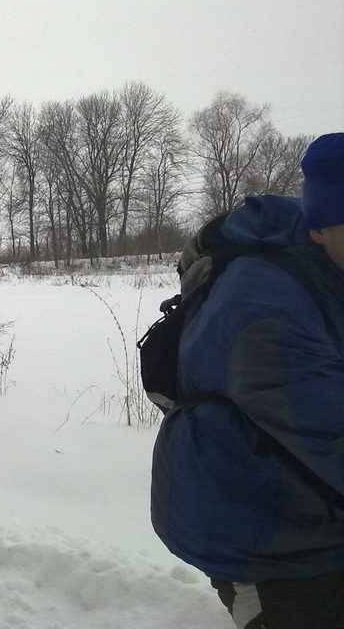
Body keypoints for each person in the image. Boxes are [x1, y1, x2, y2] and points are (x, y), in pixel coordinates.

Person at [151, 132, 344, 628]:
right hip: (263, 536)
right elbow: (329, 428)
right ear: (321, 228)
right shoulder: (265, 308)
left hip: (313, 509)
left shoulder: (328, 267)